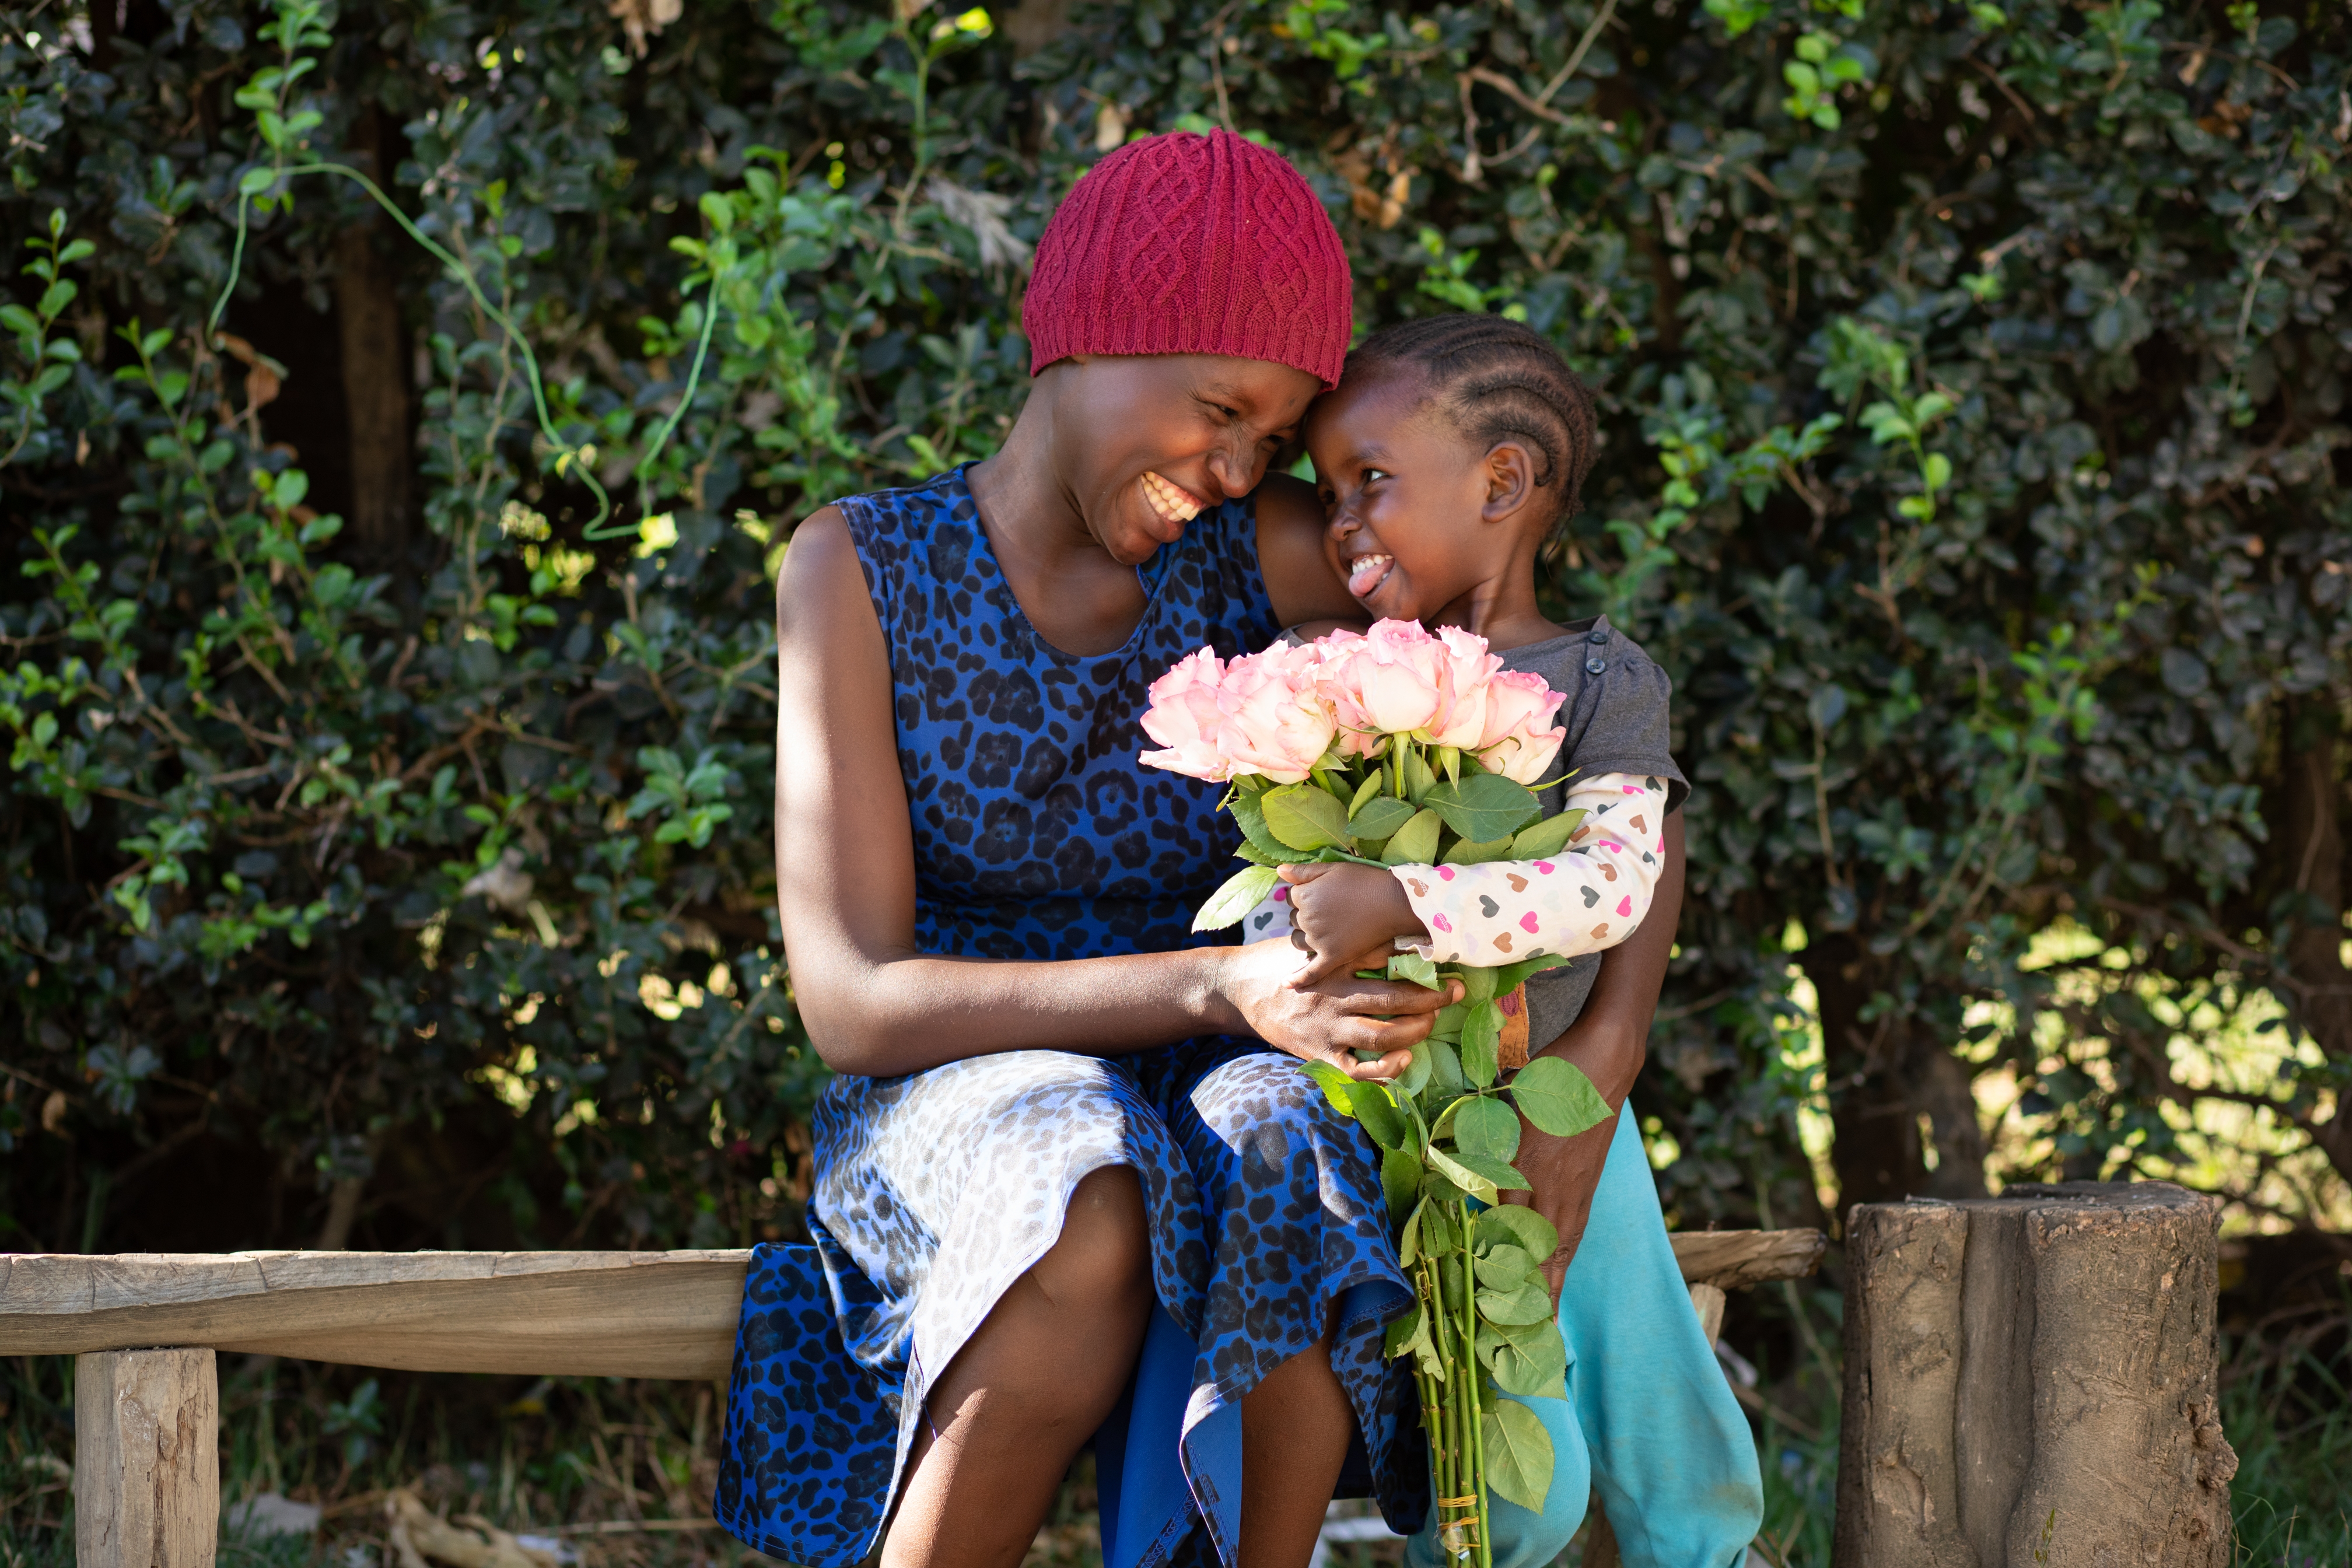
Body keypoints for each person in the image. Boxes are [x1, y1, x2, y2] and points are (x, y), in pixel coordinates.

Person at [1264, 313, 1765, 1568]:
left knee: (1656, 1383)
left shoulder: (1603, 683)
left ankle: (1705, 1554)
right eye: (1327, 493)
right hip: (1413, 1118)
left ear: (1502, 482)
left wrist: (1408, 908)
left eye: (1369, 482)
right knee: (1493, 1408)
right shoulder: (1345, 681)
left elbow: (1613, 881)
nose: (1340, 523)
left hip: (1564, 1088)